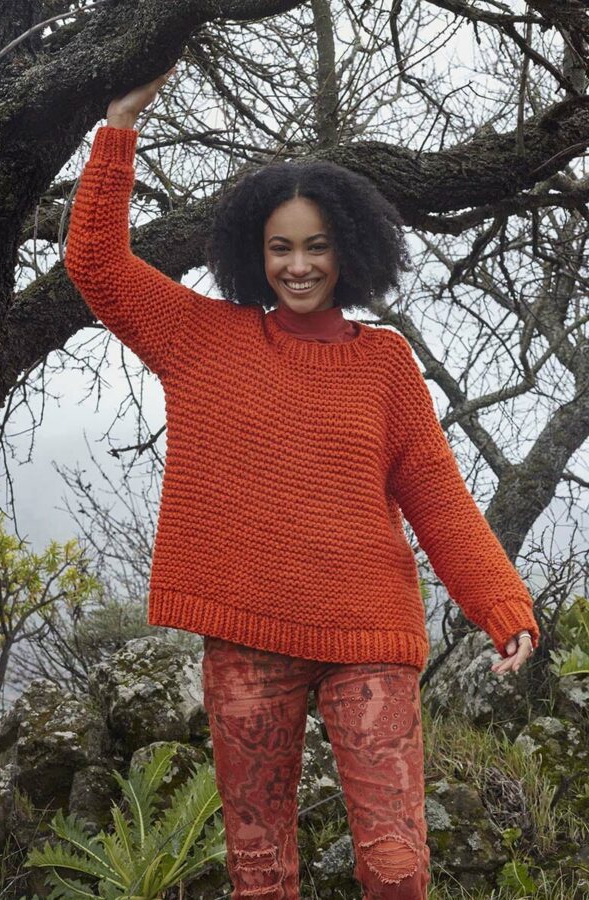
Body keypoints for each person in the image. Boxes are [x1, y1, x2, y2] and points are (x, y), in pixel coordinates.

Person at [64, 69, 540, 900]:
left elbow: (437, 496)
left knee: (396, 868)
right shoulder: (201, 338)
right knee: (259, 872)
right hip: (247, 637)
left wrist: (502, 605)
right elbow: (96, 264)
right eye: (280, 247)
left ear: (348, 249)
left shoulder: (386, 363)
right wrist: (120, 127)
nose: (298, 264)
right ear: (255, 253)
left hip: (369, 635)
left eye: (316, 245)